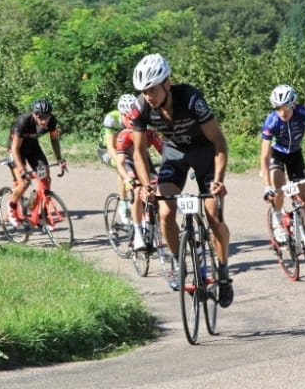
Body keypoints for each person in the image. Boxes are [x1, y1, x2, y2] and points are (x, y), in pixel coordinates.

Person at [130, 53, 233, 308]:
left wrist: (218, 180)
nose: (148, 96)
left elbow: (219, 141)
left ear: (167, 83)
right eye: (144, 91)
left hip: (205, 151)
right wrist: (145, 186)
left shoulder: (190, 99)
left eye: (152, 89)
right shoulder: (142, 107)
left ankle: (222, 273)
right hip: (174, 153)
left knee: (214, 216)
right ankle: (180, 263)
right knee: (165, 211)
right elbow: (139, 152)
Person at [260, 84, 305, 243]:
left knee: (304, 198)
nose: (282, 112)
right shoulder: (271, 121)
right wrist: (267, 186)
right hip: (277, 154)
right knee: (279, 190)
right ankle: (277, 220)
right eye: (278, 108)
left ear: (293, 104)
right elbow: (265, 156)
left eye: (286, 107)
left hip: (295, 154)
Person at [6, 99, 66, 226]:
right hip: (16, 149)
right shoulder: (23, 122)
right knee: (24, 182)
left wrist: (59, 158)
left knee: (45, 178)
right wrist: (22, 170)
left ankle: (41, 214)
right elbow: (15, 148)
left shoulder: (52, 121)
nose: (44, 121)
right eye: (40, 117)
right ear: (34, 115)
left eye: (46, 117)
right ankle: (11, 206)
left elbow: (54, 139)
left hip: (33, 148)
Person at [115, 110, 163, 251]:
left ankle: (156, 228)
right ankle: (137, 235)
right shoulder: (124, 136)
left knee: (159, 192)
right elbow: (120, 163)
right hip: (129, 163)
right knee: (136, 191)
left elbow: (165, 153)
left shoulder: (151, 134)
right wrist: (127, 179)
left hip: (143, 161)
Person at [97, 94, 138, 224]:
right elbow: (110, 147)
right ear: (121, 113)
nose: (130, 119)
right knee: (122, 166)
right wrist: (122, 165)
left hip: (123, 148)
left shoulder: (137, 117)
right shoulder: (111, 119)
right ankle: (123, 203)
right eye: (127, 116)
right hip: (106, 150)